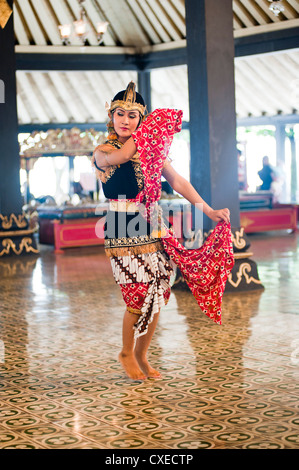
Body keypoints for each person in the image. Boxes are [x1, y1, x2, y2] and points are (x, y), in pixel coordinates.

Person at [92, 81, 233, 381]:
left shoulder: (150, 150)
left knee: (156, 292)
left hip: (155, 226)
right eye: (120, 114)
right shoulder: (103, 151)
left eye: (133, 116)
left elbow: (179, 182)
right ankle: (126, 352)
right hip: (122, 227)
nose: (126, 121)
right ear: (111, 117)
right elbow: (118, 159)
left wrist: (207, 209)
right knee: (137, 294)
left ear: (140, 119)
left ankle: (142, 354)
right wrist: (151, 133)